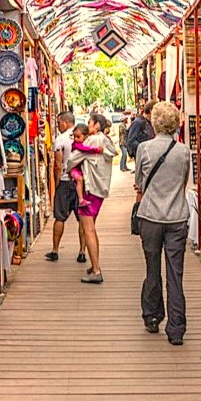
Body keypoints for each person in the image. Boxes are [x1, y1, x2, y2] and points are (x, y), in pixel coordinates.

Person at [134, 102, 190, 345]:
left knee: (152, 268)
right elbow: (184, 181)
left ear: (154, 122)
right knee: (175, 274)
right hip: (177, 217)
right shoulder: (183, 151)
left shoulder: (144, 149)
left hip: (151, 217)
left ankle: (153, 315)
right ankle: (176, 328)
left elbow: (139, 181)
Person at [75, 113, 117, 284]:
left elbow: (74, 158)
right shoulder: (106, 141)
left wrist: (69, 168)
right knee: (92, 228)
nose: (88, 126)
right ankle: (94, 265)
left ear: (97, 125)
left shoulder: (92, 141)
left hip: (89, 189)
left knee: (88, 230)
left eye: (89, 123)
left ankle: (97, 270)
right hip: (100, 190)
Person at [46, 111, 86, 263]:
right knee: (82, 218)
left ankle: (55, 250)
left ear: (66, 122)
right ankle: (82, 252)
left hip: (65, 180)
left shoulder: (61, 139)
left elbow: (58, 164)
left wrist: (56, 183)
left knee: (60, 217)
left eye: (59, 122)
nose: (58, 125)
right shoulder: (83, 136)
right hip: (81, 181)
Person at [126, 100, 156, 164]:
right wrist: (145, 148)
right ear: (151, 110)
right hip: (143, 158)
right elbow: (131, 140)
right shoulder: (138, 122)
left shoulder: (148, 122)